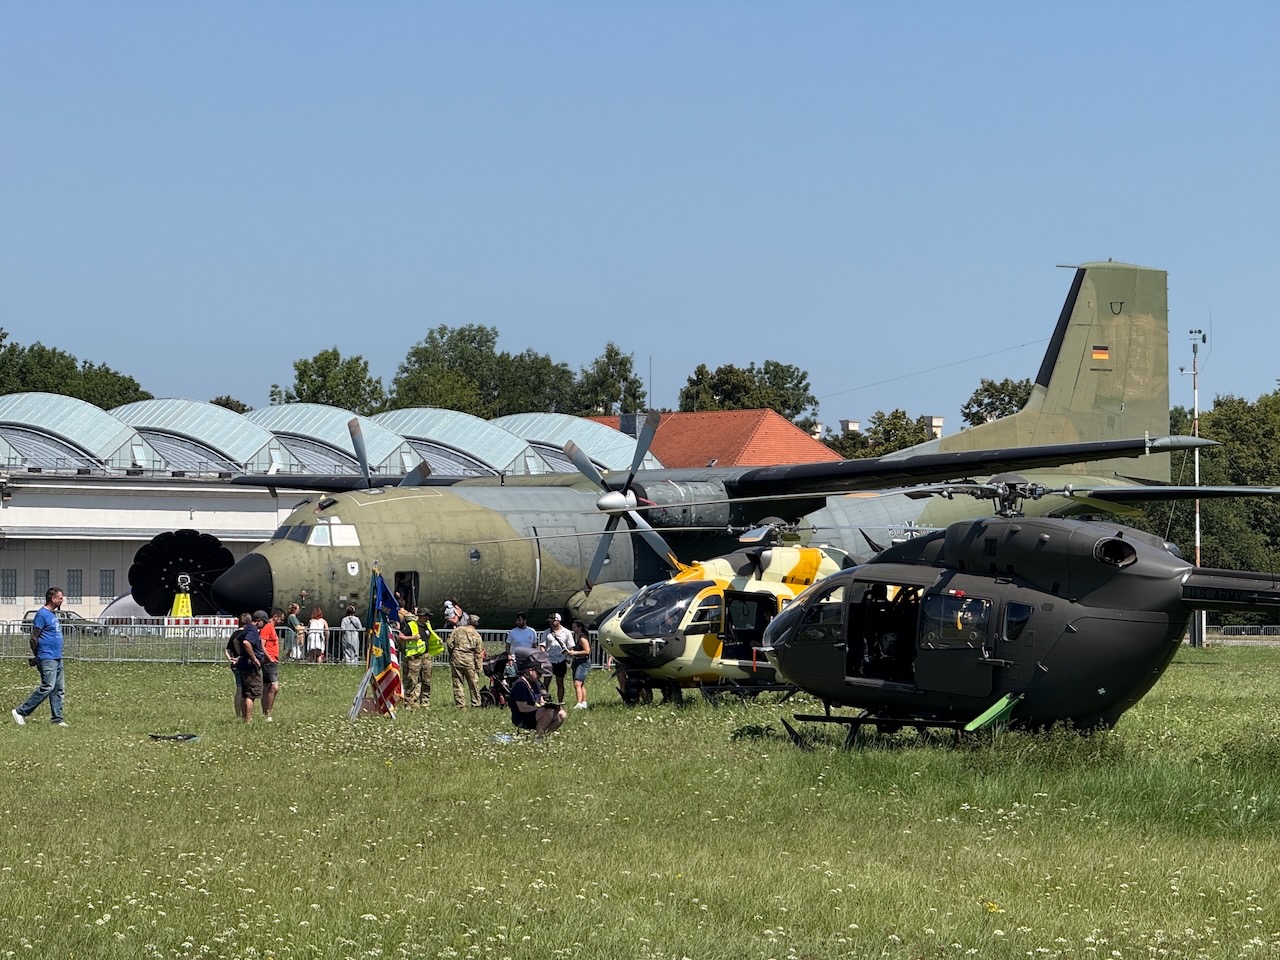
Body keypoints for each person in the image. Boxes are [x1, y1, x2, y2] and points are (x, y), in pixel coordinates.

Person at [13, 587, 70, 727]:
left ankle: (57, 719)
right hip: (46, 657)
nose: (62, 600)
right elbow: (34, 637)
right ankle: (21, 711)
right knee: (48, 687)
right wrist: (37, 656)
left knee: (58, 689)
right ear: (53, 599)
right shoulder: (42, 614)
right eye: (60, 597)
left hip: (57, 657)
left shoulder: (52, 615)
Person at [508, 660, 566, 737]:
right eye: (538, 673)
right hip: (522, 716)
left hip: (535, 712)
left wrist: (551, 706)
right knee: (548, 712)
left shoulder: (536, 683)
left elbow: (541, 700)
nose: (540, 676)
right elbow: (522, 707)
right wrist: (539, 708)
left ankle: (546, 735)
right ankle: (538, 738)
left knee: (562, 714)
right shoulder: (520, 685)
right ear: (530, 671)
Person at [448, 611, 485, 708]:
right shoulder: (477, 635)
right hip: (470, 660)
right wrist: (478, 667)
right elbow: (478, 653)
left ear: (468, 621)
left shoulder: (458, 630)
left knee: (458, 682)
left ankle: (460, 705)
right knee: (473, 683)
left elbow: (449, 643)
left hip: (457, 658)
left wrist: (452, 654)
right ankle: (476, 703)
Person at [237, 610, 267, 722]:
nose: (264, 625)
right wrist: (254, 658)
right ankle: (248, 720)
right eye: (264, 622)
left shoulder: (247, 628)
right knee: (251, 694)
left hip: (244, 665)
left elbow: (236, 640)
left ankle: (245, 718)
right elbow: (245, 642)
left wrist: (240, 655)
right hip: (251, 667)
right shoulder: (253, 630)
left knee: (245, 693)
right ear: (259, 621)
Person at [400, 607, 430, 707]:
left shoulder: (427, 626)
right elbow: (400, 637)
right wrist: (412, 637)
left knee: (426, 680)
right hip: (414, 658)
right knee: (411, 681)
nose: (427, 618)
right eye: (426, 616)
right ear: (420, 616)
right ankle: (409, 703)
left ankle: (424, 703)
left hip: (426, 656)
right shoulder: (412, 626)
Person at [542, 612, 574, 703]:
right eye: (550, 622)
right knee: (546, 682)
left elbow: (571, 646)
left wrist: (568, 654)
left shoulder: (566, 632)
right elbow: (542, 646)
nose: (551, 623)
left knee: (560, 682)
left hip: (561, 660)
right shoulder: (547, 632)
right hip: (549, 660)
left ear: (558, 621)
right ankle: (544, 701)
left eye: (553, 621)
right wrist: (543, 657)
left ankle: (560, 702)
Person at [259, 608, 283, 720]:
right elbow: (262, 644)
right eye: (281, 619)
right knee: (274, 687)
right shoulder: (267, 627)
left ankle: (266, 713)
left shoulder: (271, 628)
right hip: (269, 662)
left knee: (267, 686)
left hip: (272, 661)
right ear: (275, 617)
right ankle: (268, 712)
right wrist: (270, 658)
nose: (281, 622)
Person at [224, 614, 249, 719]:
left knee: (239, 690)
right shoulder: (246, 634)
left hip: (235, 665)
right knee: (246, 691)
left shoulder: (234, 634)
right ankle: (246, 714)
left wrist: (230, 659)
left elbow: (226, 650)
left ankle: (238, 714)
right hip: (245, 664)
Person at [568, 619, 592, 710]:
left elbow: (587, 651)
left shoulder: (582, 638)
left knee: (577, 683)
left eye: (574, 627)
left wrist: (574, 653)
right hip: (578, 662)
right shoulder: (579, 638)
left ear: (580, 627)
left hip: (583, 663)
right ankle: (584, 702)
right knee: (580, 684)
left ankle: (579, 703)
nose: (573, 629)